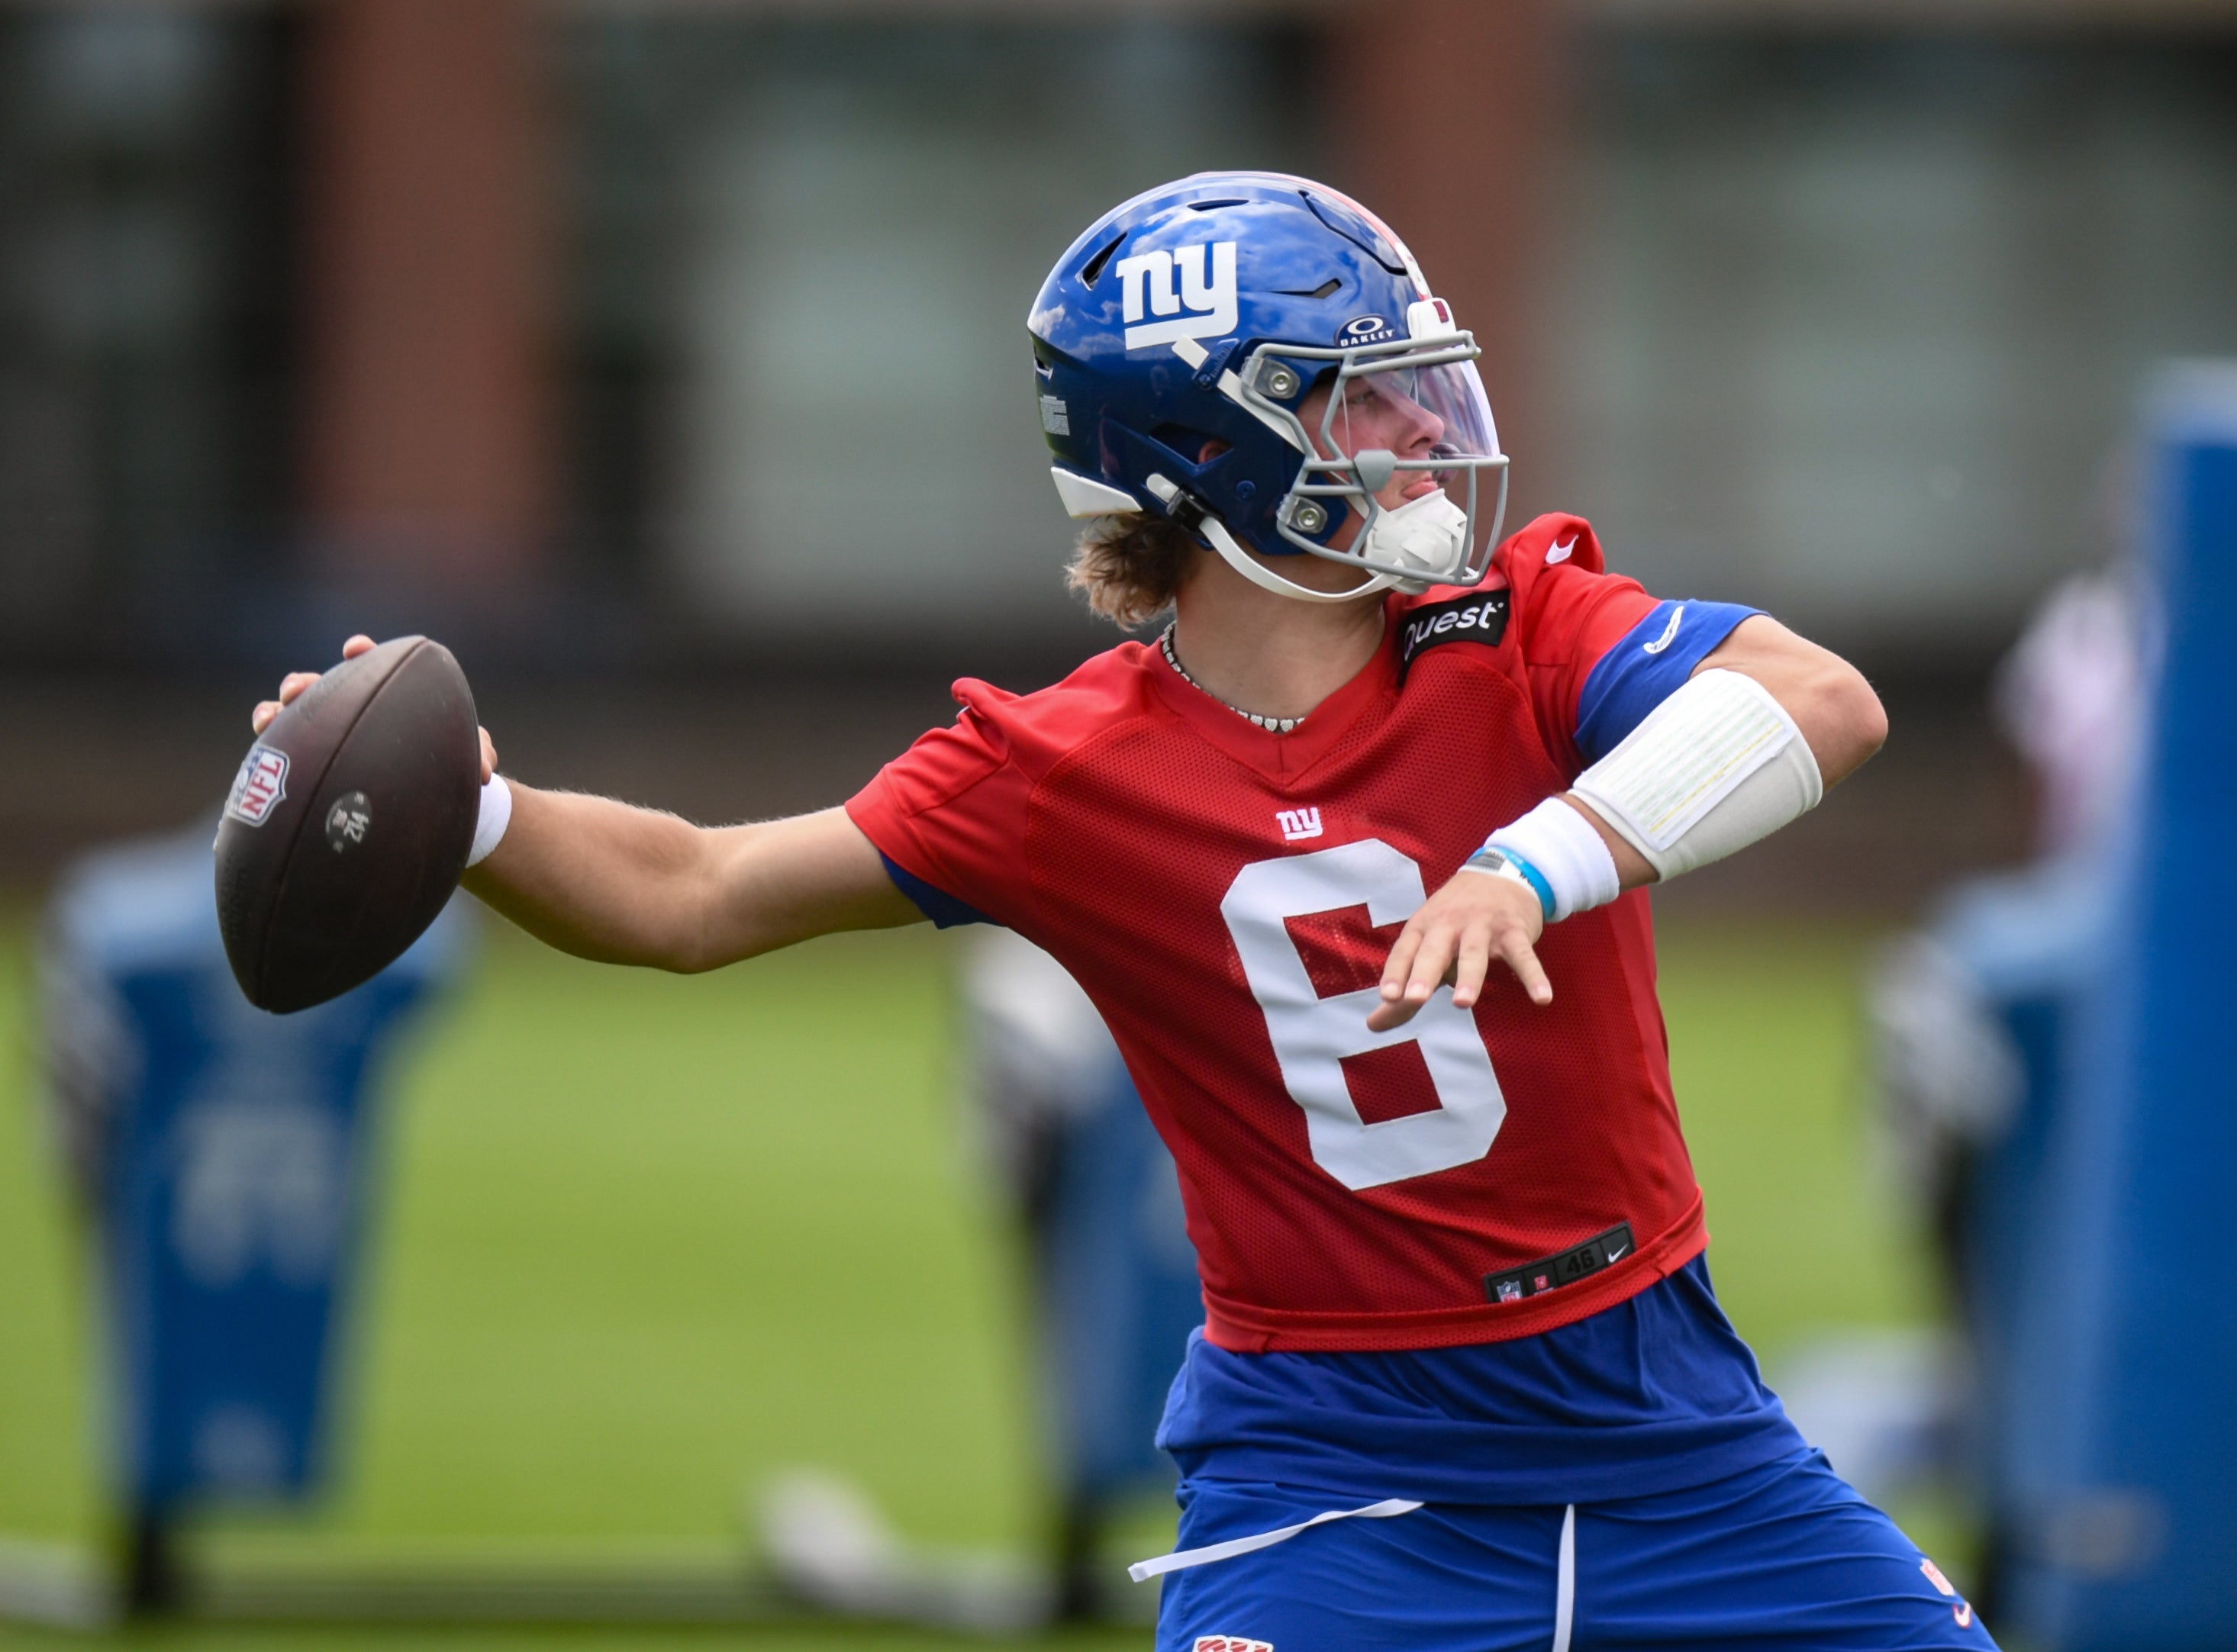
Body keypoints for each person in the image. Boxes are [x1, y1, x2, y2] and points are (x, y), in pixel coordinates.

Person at [256, 172, 1990, 1650]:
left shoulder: (1526, 630)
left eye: (1409, 389)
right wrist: (471, 804)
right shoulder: (1060, 771)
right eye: (1351, 397)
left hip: (1663, 1424)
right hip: (1336, 1467)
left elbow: (1816, 698)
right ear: (1204, 454)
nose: (1416, 436)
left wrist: (1536, 859)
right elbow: (696, 894)